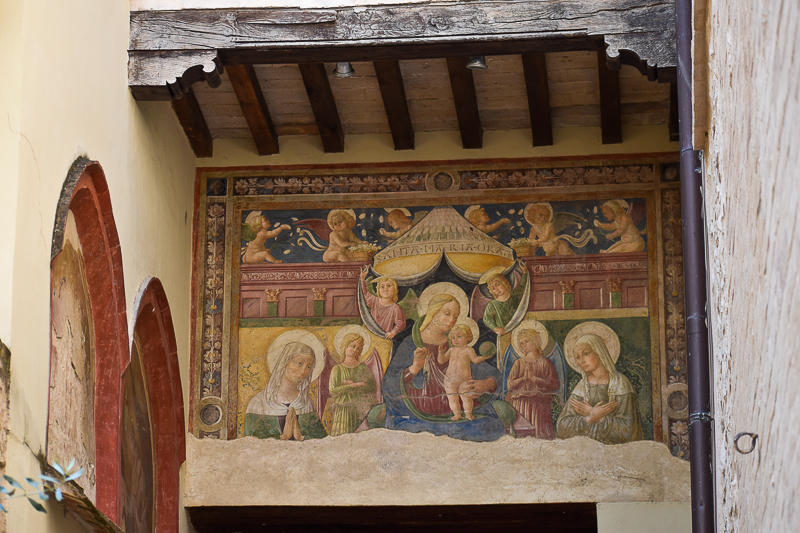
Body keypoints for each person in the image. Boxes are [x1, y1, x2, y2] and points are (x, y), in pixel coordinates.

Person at [381, 293, 514, 441]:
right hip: (418, 414)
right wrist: (414, 368)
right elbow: (388, 384)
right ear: (433, 312)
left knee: (491, 427)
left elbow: (485, 370)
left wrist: (486, 384)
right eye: (447, 313)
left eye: (456, 316)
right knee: (406, 431)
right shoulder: (411, 343)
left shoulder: (456, 343)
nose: (452, 320)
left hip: (459, 413)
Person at [556, 334, 643, 444]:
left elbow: (627, 432)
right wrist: (590, 417)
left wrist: (599, 417)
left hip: (614, 449)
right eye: (577, 357)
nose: (582, 360)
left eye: (586, 354)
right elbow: (562, 427)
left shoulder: (620, 384)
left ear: (599, 352)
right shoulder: (582, 387)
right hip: (584, 448)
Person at [244, 342, 327, 440]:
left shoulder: (305, 403)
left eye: (308, 367)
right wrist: (282, 437)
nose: (303, 371)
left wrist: (301, 437)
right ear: (285, 362)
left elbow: (322, 441)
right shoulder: (258, 402)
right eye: (299, 363)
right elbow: (249, 442)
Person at [506, 329, 559, 439]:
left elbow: (554, 384)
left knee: (540, 435)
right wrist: (523, 379)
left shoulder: (545, 363)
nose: (524, 345)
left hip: (540, 404)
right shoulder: (518, 363)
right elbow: (510, 385)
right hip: (521, 404)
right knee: (522, 436)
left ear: (535, 341)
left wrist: (535, 379)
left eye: (527, 341)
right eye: (521, 343)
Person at [438, 324, 493, 421]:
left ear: (468, 337)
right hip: (449, 380)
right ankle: (457, 414)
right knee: (452, 398)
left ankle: (468, 414)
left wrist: (484, 357)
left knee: (466, 398)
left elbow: (475, 360)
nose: (455, 340)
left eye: (459, 336)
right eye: (453, 337)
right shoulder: (451, 350)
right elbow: (441, 361)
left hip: (464, 380)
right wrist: (441, 353)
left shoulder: (468, 350)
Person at [328, 333, 378, 436]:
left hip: (359, 408)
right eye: (353, 346)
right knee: (342, 436)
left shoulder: (363, 368)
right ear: (345, 346)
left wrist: (357, 384)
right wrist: (354, 385)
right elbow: (333, 390)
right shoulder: (338, 369)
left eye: (358, 348)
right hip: (343, 409)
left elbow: (372, 387)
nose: (355, 350)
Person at [482, 261, 528, 335]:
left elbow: (523, 287)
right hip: (504, 332)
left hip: (518, 329)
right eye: (493, 288)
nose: (497, 289)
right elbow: (487, 318)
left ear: (504, 283)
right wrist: (496, 328)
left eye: (498, 285)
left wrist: (525, 272)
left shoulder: (514, 295)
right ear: (492, 291)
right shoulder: (493, 304)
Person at [359, 267, 406, 339]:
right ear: (378, 290)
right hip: (369, 334)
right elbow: (365, 293)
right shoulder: (374, 300)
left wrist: (393, 332)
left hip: (383, 337)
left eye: (389, 286)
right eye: (382, 286)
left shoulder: (395, 308)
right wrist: (362, 279)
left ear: (394, 289)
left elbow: (401, 323)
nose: (385, 289)